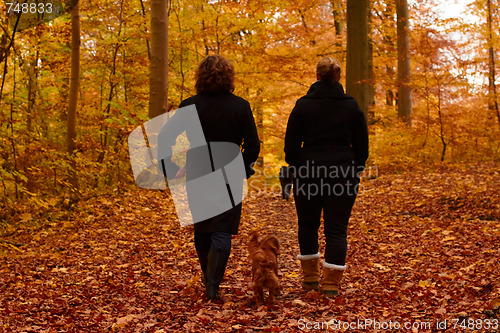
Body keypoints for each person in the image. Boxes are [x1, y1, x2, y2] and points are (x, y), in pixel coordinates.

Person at [158, 55, 260, 301]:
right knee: (222, 230)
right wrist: (244, 167)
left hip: (199, 168)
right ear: (229, 78)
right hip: (229, 169)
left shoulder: (189, 106)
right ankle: (212, 284)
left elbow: (164, 139)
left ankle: (209, 278)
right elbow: (254, 145)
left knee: (203, 229)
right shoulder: (240, 106)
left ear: (199, 77)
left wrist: (172, 169)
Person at [284, 57, 369, 296]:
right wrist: (357, 166)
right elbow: (362, 143)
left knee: (307, 225)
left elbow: (291, 143)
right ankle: (331, 284)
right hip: (343, 173)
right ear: (339, 77)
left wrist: (296, 163)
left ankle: (310, 280)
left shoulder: (303, 105)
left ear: (317, 76)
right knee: (336, 229)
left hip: (308, 172)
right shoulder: (351, 105)